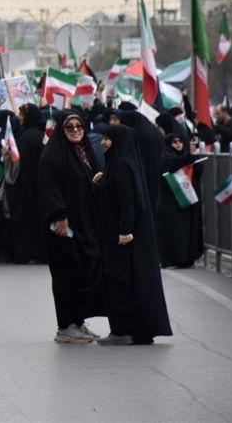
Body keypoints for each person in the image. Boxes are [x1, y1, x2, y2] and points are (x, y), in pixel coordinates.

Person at [94, 125, 172, 345]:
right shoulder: (121, 163)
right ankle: (130, 329)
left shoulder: (121, 165)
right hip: (120, 235)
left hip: (119, 238)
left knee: (119, 280)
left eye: (107, 139)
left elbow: (129, 202)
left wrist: (125, 230)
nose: (103, 143)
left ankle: (123, 330)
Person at [38, 111, 104, 344]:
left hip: (86, 224)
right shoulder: (52, 156)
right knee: (68, 274)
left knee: (85, 272)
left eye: (79, 126)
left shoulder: (84, 152)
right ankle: (65, 325)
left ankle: (78, 322)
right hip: (64, 228)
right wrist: (60, 215)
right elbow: (48, 189)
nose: (76, 130)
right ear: (61, 130)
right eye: (70, 127)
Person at [6, 104, 48, 264]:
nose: (19, 117)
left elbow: (19, 162)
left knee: (24, 220)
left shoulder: (27, 137)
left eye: (22, 114)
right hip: (37, 187)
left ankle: (23, 253)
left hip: (25, 186)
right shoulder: (39, 136)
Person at [156, 133, 204, 269]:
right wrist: (187, 158)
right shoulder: (166, 156)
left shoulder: (185, 154)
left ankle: (188, 256)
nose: (178, 145)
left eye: (180, 142)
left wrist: (193, 159)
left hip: (188, 199)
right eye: (174, 142)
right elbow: (170, 166)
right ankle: (174, 258)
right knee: (175, 231)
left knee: (188, 231)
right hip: (173, 202)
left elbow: (198, 171)